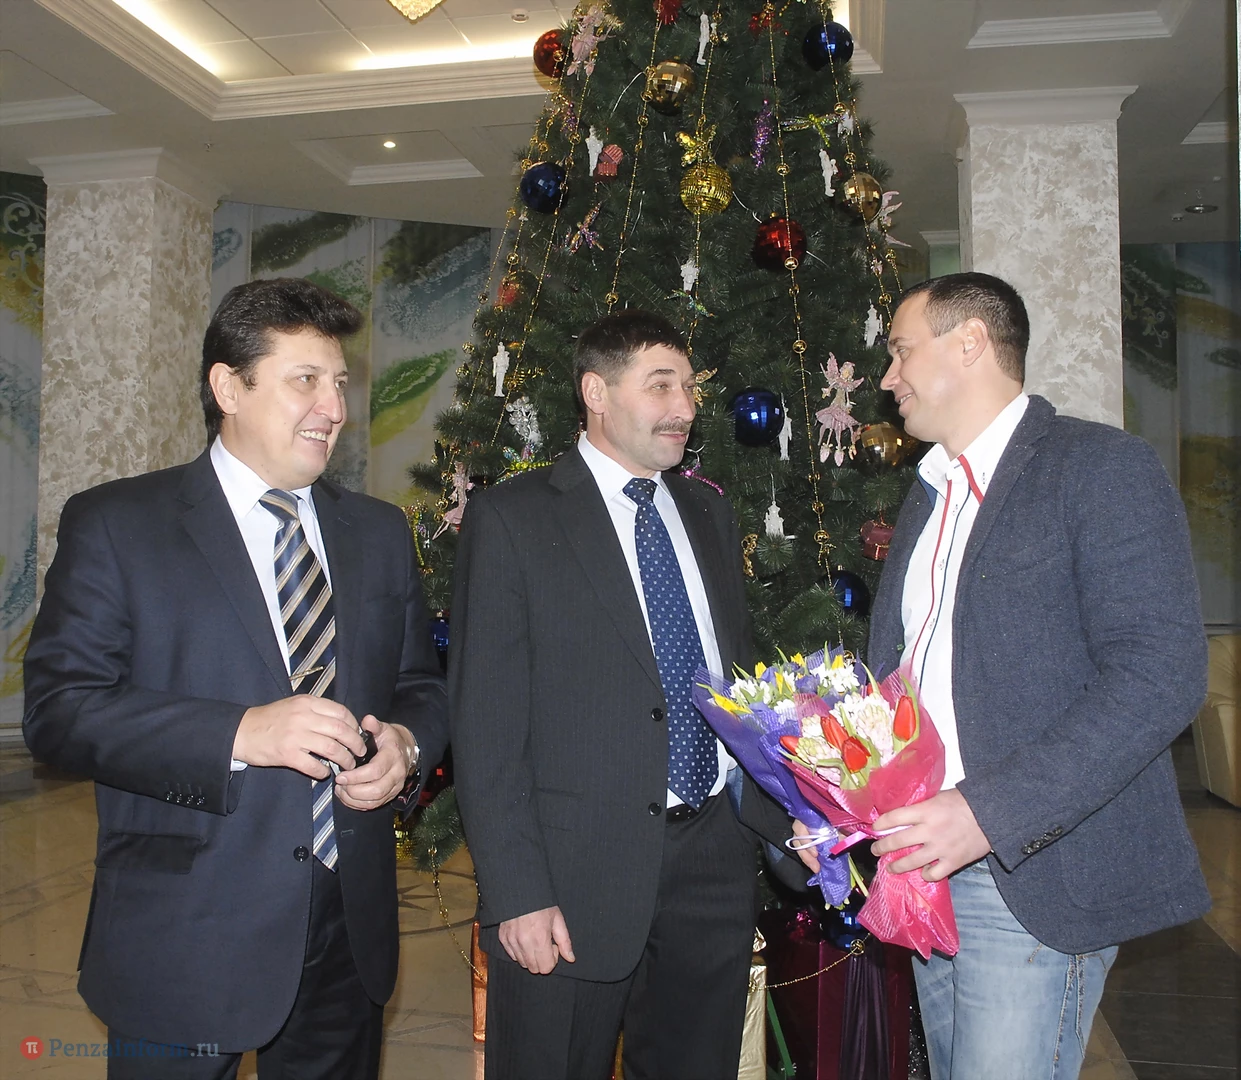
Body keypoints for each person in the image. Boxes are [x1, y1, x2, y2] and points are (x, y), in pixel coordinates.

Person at [23, 277, 449, 1080]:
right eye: (305, 380)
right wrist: (242, 733)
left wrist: (404, 742)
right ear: (228, 387)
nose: (334, 408)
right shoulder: (118, 524)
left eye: (339, 382)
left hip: (347, 928)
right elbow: (59, 711)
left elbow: (418, 684)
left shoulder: (378, 531)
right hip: (184, 930)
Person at [800, 272, 1210, 1080]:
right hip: (928, 868)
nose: (887, 378)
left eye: (900, 351)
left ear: (969, 343)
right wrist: (836, 804)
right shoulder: (928, 495)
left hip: (1029, 869)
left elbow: (1161, 673)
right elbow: (910, 681)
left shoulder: (1098, 466)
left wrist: (988, 812)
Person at [450, 310, 789, 1080]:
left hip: (712, 859)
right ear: (596, 392)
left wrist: (783, 810)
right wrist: (516, 892)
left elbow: (732, 680)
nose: (685, 407)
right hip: (570, 875)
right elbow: (485, 727)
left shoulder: (706, 511)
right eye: (660, 386)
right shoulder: (513, 518)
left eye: (689, 388)